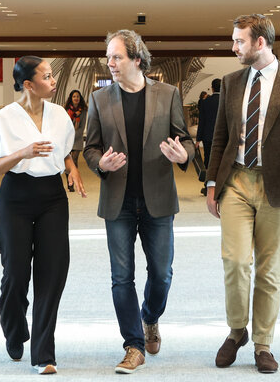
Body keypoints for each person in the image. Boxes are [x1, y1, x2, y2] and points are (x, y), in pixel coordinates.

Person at [205, 14, 280, 374]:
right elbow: (220, 138)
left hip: (279, 186)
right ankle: (237, 330)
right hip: (236, 181)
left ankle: (263, 343)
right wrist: (211, 184)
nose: (233, 47)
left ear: (260, 43)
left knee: (269, 270)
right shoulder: (232, 81)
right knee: (236, 262)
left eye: (239, 41)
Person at [83, 29, 194, 374]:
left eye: (116, 57)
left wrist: (182, 155)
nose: (110, 63)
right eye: (108, 58)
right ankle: (133, 345)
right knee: (121, 277)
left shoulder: (168, 94)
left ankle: (150, 317)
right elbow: (90, 148)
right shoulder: (100, 100)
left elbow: (187, 140)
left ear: (136, 59)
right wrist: (99, 164)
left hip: (157, 199)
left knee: (161, 274)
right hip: (118, 201)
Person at [0, 56, 87, 375]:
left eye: (52, 75)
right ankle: (14, 329)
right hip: (15, 196)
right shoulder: (5, 118)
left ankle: (44, 353)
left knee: (52, 273)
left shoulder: (60, 116)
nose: (53, 81)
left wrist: (71, 170)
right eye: (46, 76)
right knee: (15, 273)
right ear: (28, 84)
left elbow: (64, 150)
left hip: (52, 198)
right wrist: (22, 153)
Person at [196, 78, 221, 196]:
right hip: (223, 138)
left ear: (212, 88)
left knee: (208, 160)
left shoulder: (205, 102)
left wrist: (198, 139)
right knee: (222, 161)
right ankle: (221, 187)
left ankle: (207, 186)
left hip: (208, 137)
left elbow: (202, 121)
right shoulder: (226, 101)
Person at [64, 89, 88, 192]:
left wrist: (73, 135)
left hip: (77, 139)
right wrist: (68, 136)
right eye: (74, 96)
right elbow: (64, 125)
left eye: (77, 96)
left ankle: (73, 182)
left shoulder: (83, 111)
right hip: (66, 138)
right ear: (71, 98)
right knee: (67, 161)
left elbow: (82, 127)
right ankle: (70, 183)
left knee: (74, 160)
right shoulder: (66, 110)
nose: (76, 98)